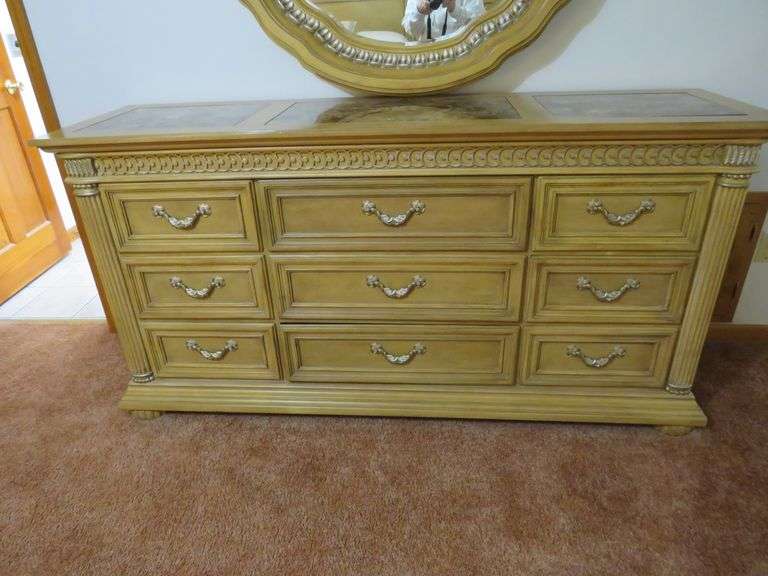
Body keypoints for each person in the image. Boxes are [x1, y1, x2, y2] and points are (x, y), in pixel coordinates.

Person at [401, 0, 485, 42]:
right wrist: (418, 12)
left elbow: (481, 26)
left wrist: (454, 9)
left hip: (460, 54)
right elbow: (412, 31)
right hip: (425, 55)